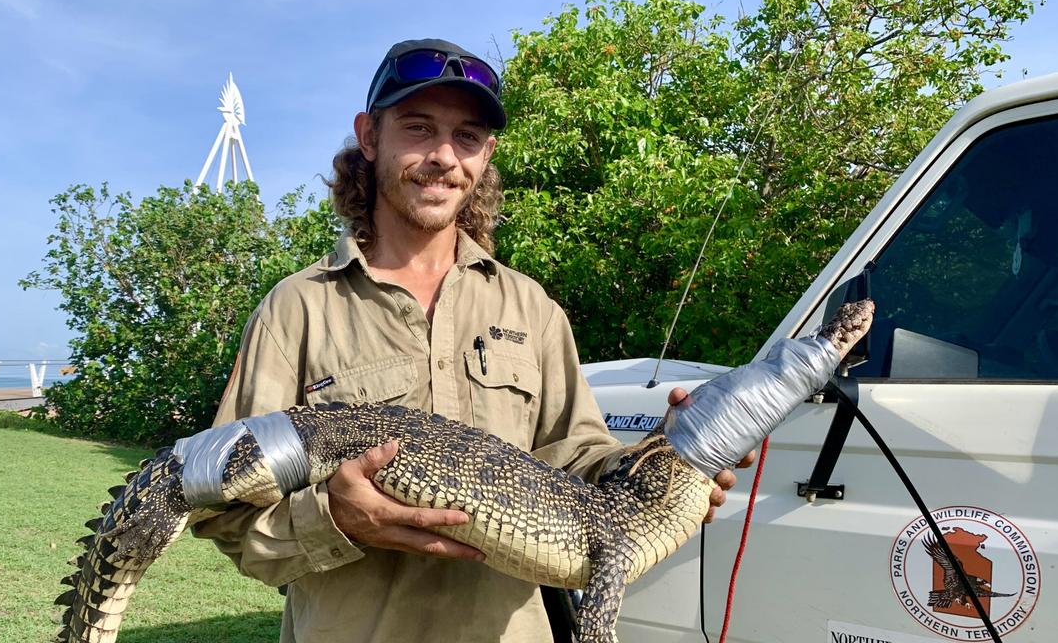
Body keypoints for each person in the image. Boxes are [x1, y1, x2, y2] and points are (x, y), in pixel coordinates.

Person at [192, 38, 750, 642]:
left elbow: (577, 461)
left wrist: (666, 466)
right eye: (418, 127)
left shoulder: (532, 307)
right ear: (369, 136)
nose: (443, 157)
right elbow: (222, 509)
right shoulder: (297, 309)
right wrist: (335, 519)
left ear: (486, 153)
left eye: (467, 136)